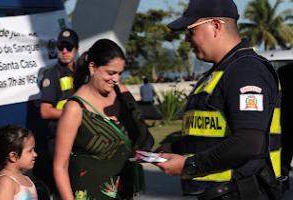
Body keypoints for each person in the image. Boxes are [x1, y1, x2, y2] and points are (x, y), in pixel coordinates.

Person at [154, 0, 284, 199]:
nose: (186, 39)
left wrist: (189, 166)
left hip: (242, 192)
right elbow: (215, 131)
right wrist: (177, 147)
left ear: (215, 26)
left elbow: (248, 142)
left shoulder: (245, 70)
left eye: (190, 31)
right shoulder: (221, 72)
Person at [53, 38, 153, 200]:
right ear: (92, 67)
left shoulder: (122, 94)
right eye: (110, 72)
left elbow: (140, 132)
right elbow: (60, 166)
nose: (116, 79)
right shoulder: (75, 109)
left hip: (123, 191)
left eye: (120, 73)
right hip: (88, 193)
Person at [0, 124, 38, 200]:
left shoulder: (27, 179)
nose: (35, 154)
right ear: (13, 156)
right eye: (30, 151)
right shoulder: (5, 182)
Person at [40, 28, 79, 139]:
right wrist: (75, 114)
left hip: (79, 133)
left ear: (76, 49)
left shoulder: (82, 73)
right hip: (59, 134)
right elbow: (45, 111)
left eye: (69, 47)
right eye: (61, 47)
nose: (64, 51)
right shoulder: (51, 75)